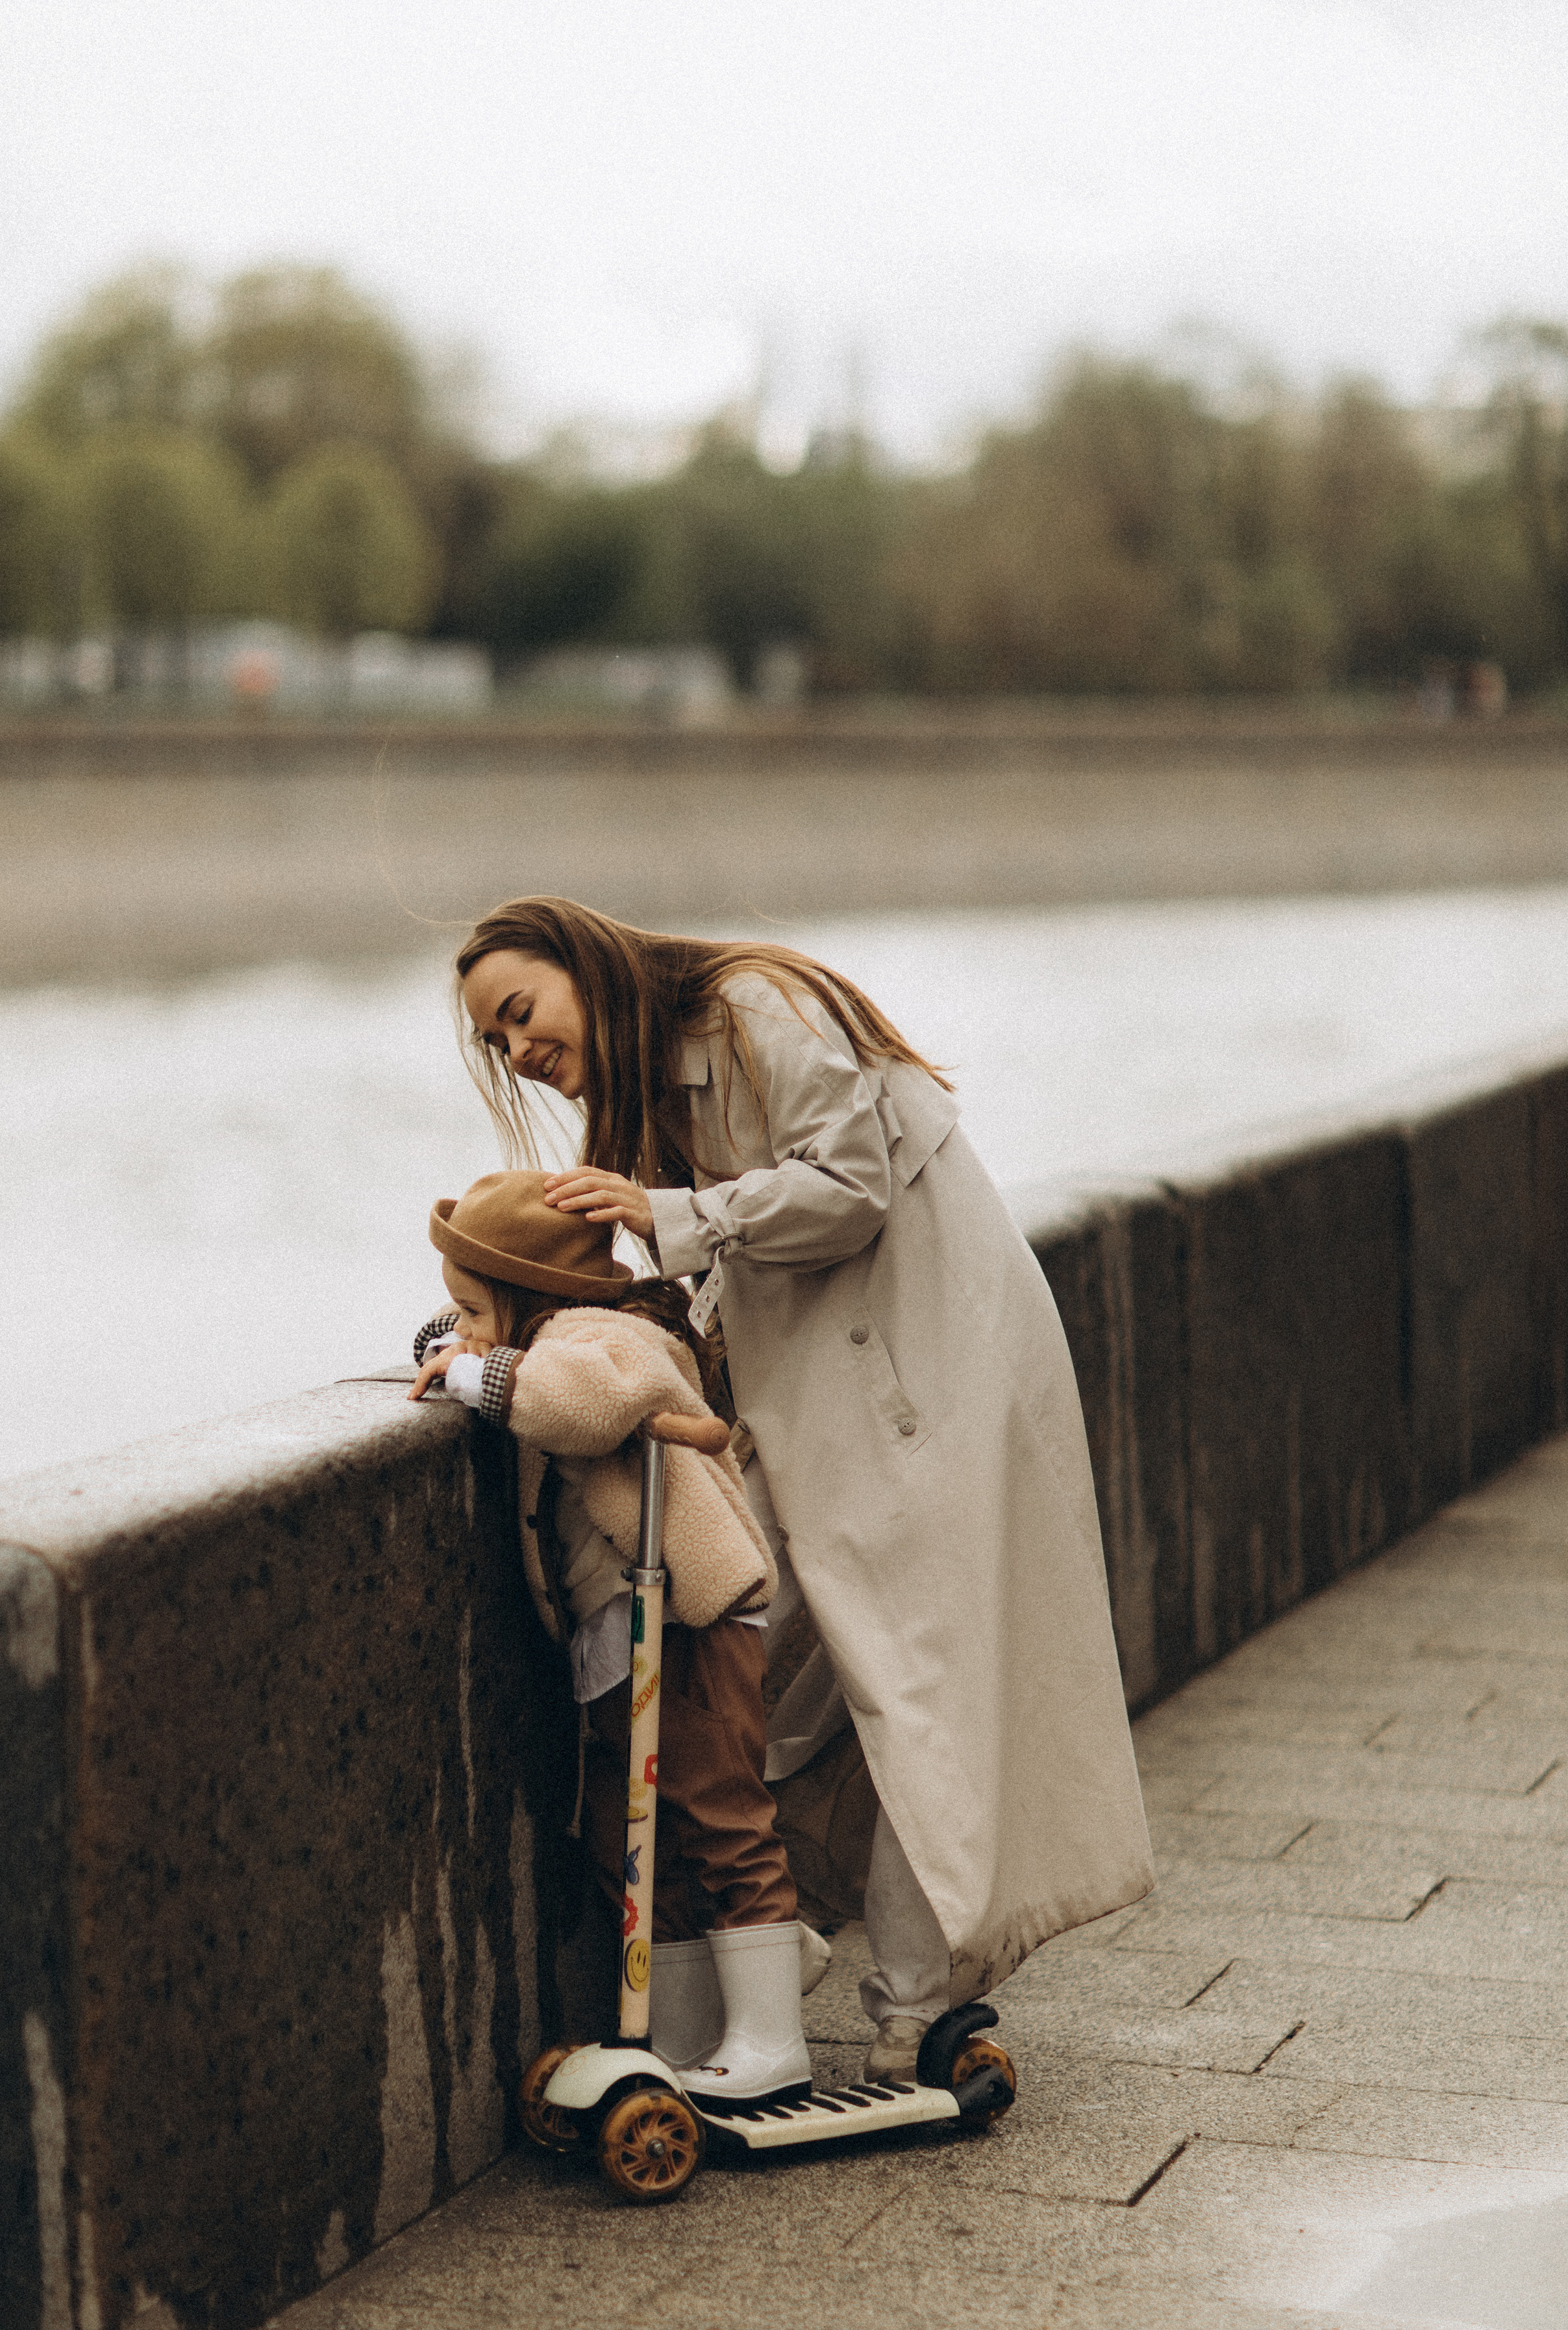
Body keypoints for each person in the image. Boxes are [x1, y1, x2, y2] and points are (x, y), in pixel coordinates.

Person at [455, 897, 1154, 2084]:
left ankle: (914, 2007)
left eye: (520, 1013)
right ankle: (768, 1948)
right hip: (823, 1392)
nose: (518, 1053)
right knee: (743, 1655)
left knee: (918, 1681)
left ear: (587, 965)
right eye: (496, 1042)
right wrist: (493, 1334)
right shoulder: (643, 1102)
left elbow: (853, 1185)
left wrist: (672, 1213)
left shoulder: (753, 1006)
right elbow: (676, 1290)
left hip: (933, 1371)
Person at [407, 1168, 819, 2105]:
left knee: (720, 1811)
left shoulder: (613, 1338)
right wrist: (459, 1340)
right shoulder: (538, 1330)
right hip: (617, 1629)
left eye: (473, 1307)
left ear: (529, 1296)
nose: (456, 1325)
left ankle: (771, 2037)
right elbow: (477, 1346)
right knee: (631, 1835)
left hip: (691, 1614)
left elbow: (581, 1404)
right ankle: (670, 2039)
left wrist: (477, 1368)